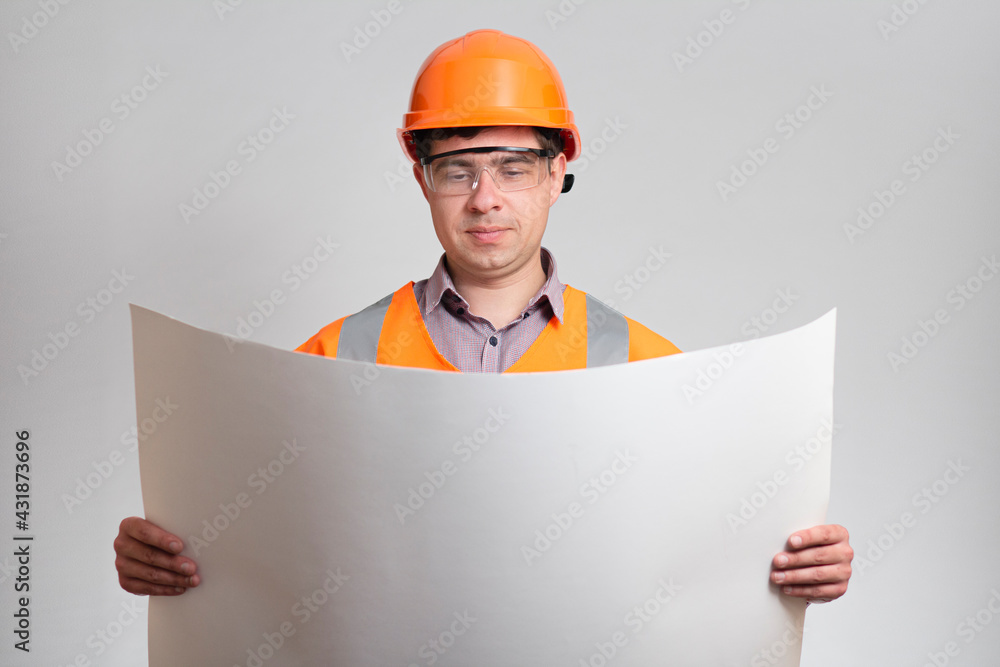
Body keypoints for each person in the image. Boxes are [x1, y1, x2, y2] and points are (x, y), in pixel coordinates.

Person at [115, 29, 852, 604]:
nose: (485, 198)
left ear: (558, 172)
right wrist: (169, 552)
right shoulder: (331, 356)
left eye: (513, 166)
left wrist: (797, 565)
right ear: (421, 178)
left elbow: (703, 552)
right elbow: (259, 535)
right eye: (457, 169)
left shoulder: (652, 364)